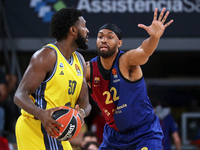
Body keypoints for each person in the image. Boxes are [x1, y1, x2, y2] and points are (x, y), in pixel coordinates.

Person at [86, 8, 173, 150]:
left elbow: (144, 51)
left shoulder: (126, 61)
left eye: (109, 37)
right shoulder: (88, 70)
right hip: (114, 137)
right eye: (100, 36)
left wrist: (154, 38)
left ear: (119, 43)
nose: (104, 40)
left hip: (144, 133)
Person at [14, 7, 91, 150]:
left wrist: (81, 113)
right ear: (73, 30)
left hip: (60, 130)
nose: (87, 31)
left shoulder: (79, 61)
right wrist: (41, 114)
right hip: (35, 126)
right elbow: (19, 95)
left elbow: (86, 103)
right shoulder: (46, 56)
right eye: (84, 26)